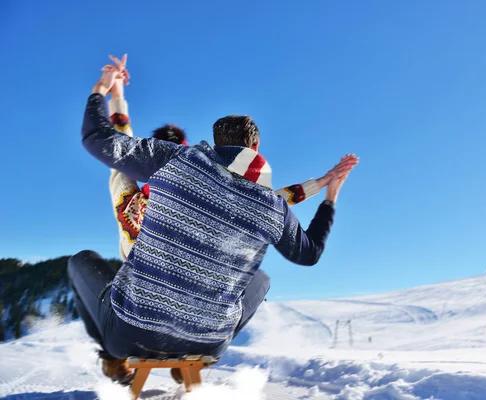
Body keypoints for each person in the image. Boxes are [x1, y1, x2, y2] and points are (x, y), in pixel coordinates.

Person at [68, 55, 359, 384]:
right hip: (206, 336)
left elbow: (114, 142)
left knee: (82, 262)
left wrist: (107, 88)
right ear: (254, 148)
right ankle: (191, 355)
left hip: (134, 323)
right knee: (259, 277)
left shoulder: (157, 174)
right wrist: (327, 192)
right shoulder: (246, 201)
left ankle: (113, 359)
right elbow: (277, 205)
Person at [107, 73, 358, 262]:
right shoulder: (199, 196)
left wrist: (116, 93)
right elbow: (265, 203)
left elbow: (119, 147)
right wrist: (322, 184)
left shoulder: (131, 204)